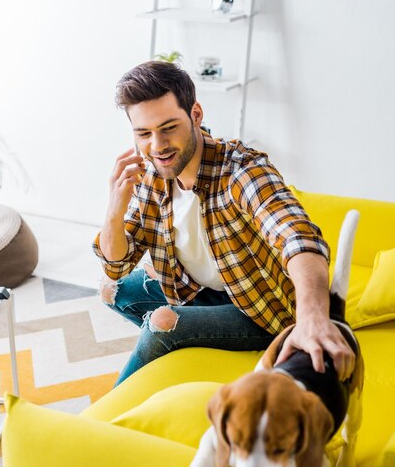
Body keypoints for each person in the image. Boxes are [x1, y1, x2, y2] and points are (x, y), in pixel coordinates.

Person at [93, 60, 355, 386]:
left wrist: (313, 318)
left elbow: (297, 237)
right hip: (199, 290)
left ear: (196, 115)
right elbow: (115, 265)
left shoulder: (241, 170)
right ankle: (188, 351)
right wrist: (114, 208)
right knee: (110, 290)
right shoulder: (151, 173)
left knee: (161, 323)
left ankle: (104, 425)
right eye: (144, 133)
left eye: (169, 127)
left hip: (259, 308)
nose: (157, 146)